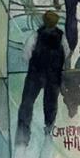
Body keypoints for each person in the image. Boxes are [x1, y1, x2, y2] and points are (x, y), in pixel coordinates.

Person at [15, 10, 70, 146]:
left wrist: (33, 64)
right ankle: (49, 129)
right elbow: (67, 52)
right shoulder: (61, 37)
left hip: (36, 73)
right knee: (51, 103)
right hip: (53, 75)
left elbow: (26, 54)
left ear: (44, 21)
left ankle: (23, 134)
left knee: (27, 102)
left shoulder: (35, 35)